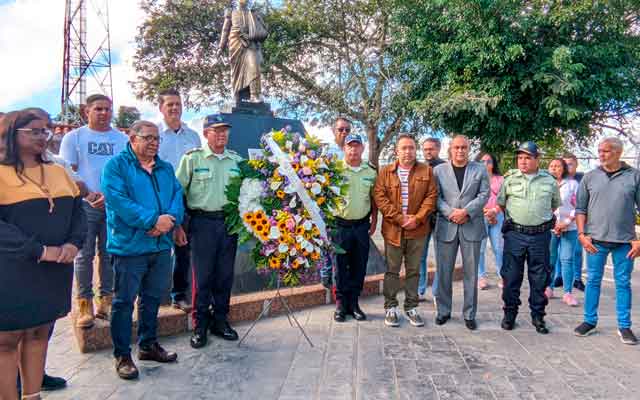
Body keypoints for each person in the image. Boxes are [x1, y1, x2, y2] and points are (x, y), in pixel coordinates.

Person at [0, 110, 86, 400]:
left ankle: (32, 395)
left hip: (54, 271)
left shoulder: (58, 170)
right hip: (12, 271)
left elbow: (78, 213)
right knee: (7, 340)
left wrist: (74, 244)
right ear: (13, 134)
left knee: (39, 333)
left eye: (46, 130)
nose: (44, 136)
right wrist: (40, 251)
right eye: (35, 131)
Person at [102, 120, 183, 379]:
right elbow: (118, 201)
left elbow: (177, 196)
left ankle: (148, 345)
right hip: (130, 247)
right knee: (124, 302)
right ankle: (122, 355)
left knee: (151, 299)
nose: (154, 142)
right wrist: (151, 220)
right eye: (147, 138)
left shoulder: (166, 168)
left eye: (156, 138)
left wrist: (168, 221)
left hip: (160, 246)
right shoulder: (116, 167)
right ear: (132, 138)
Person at [60, 94, 129, 328]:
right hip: (84, 204)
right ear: (86, 111)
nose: (103, 113)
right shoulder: (75, 137)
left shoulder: (121, 138)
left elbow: (126, 171)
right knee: (84, 255)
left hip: (113, 205)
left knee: (110, 254)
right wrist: (89, 194)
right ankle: (84, 305)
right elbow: (67, 170)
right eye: (98, 109)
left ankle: (106, 302)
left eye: (108, 109)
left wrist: (110, 195)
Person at [176, 115, 242, 348]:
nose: (222, 134)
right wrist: (178, 225)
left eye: (225, 130)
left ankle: (221, 321)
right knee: (202, 278)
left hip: (228, 224)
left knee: (224, 276)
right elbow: (178, 192)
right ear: (206, 133)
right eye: (216, 130)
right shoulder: (193, 159)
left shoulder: (236, 161)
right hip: (202, 223)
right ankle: (200, 325)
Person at [574, 137, 640, 345]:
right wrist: (582, 235)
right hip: (595, 240)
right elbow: (580, 209)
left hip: (625, 242)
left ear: (619, 153)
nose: (601, 154)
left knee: (623, 283)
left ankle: (624, 326)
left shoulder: (634, 177)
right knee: (593, 281)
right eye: (600, 150)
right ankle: (589, 321)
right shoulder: (590, 177)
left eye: (606, 151)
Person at [373, 133, 438, 328]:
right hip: (393, 230)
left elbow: (431, 197)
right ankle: (390, 307)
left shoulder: (426, 171)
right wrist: (401, 219)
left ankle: (411, 307)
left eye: (411, 147)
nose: (408, 151)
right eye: (404, 148)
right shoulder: (385, 172)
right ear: (396, 151)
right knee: (392, 270)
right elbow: (380, 197)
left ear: (415, 150)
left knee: (414, 270)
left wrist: (417, 219)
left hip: (418, 231)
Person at [496, 142, 560, 334]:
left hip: (540, 236)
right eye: (520, 158)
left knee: (540, 278)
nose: (523, 161)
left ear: (537, 159)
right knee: (511, 277)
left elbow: (554, 205)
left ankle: (538, 316)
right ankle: (509, 314)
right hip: (515, 234)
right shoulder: (510, 179)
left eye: (527, 158)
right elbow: (501, 203)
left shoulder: (549, 181)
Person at [433, 136, 489, 330]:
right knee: (444, 272)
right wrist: (451, 213)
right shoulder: (438, 170)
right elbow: (436, 197)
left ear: (469, 148)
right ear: (450, 149)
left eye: (464, 147)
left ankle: (469, 313)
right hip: (446, 226)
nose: (460, 151)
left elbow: (484, 194)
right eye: (456, 147)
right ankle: (443, 311)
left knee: (471, 273)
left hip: (471, 225)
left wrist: (466, 212)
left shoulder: (479, 169)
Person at [157, 89, 202, 313]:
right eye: (170, 105)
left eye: (178, 104)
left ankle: (178, 295)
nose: (175, 108)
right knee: (157, 247)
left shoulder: (192, 136)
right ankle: (152, 295)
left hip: (185, 198)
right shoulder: (154, 133)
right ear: (161, 108)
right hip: (158, 198)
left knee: (183, 248)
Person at [333, 133, 377, 322]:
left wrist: (374, 222)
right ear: (344, 148)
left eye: (357, 146)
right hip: (340, 226)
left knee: (359, 265)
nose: (353, 149)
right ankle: (341, 305)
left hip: (361, 226)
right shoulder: (334, 170)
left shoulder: (371, 171)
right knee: (340, 266)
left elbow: (375, 199)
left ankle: (354, 303)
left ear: (362, 149)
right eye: (350, 146)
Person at [321, 116, 352, 289]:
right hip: (328, 205)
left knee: (342, 244)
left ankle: (339, 275)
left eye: (347, 130)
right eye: (341, 129)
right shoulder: (327, 152)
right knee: (327, 240)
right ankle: (326, 273)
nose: (344, 133)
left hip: (347, 207)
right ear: (334, 131)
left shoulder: (354, 150)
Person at [544, 158, 579, 306]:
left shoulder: (573, 184)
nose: (554, 168)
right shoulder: (545, 184)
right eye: (551, 166)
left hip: (569, 227)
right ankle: (548, 288)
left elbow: (579, 206)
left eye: (557, 166)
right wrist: (554, 224)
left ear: (563, 168)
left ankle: (568, 293)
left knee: (567, 259)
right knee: (550, 259)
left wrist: (565, 223)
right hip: (550, 228)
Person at [218, 0, 268, 102]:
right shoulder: (231, 12)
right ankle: (237, 95)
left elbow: (262, 30)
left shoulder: (253, 13)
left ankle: (255, 94)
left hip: (250, 43)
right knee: (236, 71)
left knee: (254, 66)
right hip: (235, 43)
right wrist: (221, 47)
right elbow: (225, 30)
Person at [418, 137, 445, 301]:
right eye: (425, 149)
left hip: (441, 218)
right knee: (420, 256)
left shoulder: (445, 167)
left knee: (441, 257)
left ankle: (436, 292)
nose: (428, 152)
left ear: (438, 149)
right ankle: (420, 290)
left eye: (431, 149)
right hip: (423, 219)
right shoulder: (419, 168)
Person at [476, 152, 504, 290]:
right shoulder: (474, 178)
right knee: (479, 249)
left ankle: (502, 276)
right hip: (479, 216)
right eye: (482, 161)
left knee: (499, 248)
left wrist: (494, 211)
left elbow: (504, 199)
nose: (486, 164)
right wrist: (485, 212)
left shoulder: (500, 179)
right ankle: (481, 277)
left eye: (489, 161)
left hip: (497, 216)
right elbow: (470, 198)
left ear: (493, 164)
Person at [563, 152, 586, 292]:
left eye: (570, 164)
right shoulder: (558, 179)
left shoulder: (582, 179)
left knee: (577, 250)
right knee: (561, 252)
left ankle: (577, 278)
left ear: (576, 165)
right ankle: (559, 277)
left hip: (579, 219)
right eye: (565, 164)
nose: (567, 167)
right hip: (562, 221)